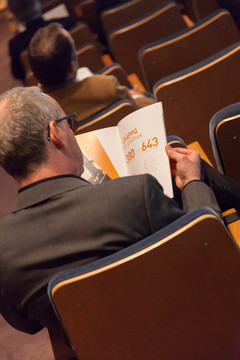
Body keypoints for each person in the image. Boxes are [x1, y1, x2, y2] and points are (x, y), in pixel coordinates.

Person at [0, 86, 221, 339]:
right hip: (191, 331)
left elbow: (29, 325)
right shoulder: (135, 195)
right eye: (68, 123)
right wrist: (193, 181)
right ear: (55, 133)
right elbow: (207, 245)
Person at [28, 22, 156, 124]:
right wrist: (135, 96)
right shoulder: (105, 86)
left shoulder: (39, 113)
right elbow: (146, 109)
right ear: (72, 68)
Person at [8, 0, 76, 81]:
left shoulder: (15, 46)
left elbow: (18, 74)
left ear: (14, 14)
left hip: (44, 90)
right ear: (37, 4)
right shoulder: (68, 23)